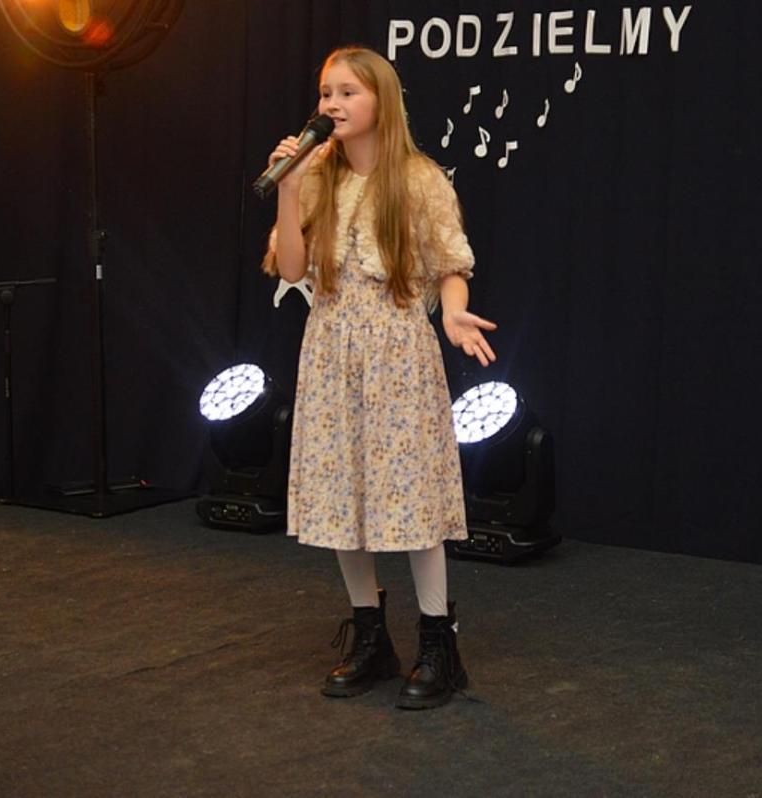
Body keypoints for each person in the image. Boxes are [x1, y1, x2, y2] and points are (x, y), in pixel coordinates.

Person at [261, 46, 496, 710]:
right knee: (343, 495)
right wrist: (288, 186)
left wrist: (454, 313)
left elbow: (449, 263)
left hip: (397, 351)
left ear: (380, 102)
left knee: (411, 496)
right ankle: (370, 634)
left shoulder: (418, 179)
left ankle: (438, 643)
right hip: (331, 349)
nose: (332, 105)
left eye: (347, 93)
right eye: (325, 93)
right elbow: (291, 269)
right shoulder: (316, 175)